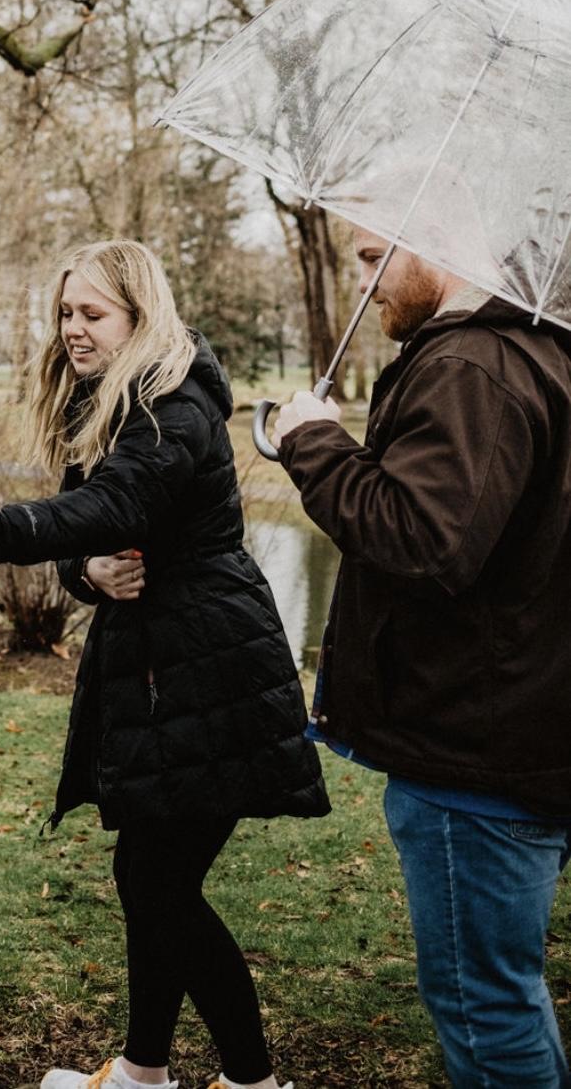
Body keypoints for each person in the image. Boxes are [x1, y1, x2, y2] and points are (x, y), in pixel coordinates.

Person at [0, 239, 328, 1089]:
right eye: (66, 313)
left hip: (211, 667)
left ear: (140, 313)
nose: (73, 329)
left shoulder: (176, 401)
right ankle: (142, 1072)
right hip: (158, 670)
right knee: (148, 877)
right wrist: (84, 570)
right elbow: (89, 529)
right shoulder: (111, 400)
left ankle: (254, 1080)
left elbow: (114, 501)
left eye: (92, 313)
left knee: (157, 883)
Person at [273, 226, 571, 1089]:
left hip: (475, 757)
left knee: (485, 1007)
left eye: (372, 259)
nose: (360, 282)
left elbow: (425, 541)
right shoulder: (539, 352)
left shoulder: (472, 366)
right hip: (520, 734)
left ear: (439, 242)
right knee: (509, 991)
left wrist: (312, 441)